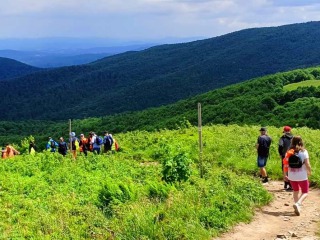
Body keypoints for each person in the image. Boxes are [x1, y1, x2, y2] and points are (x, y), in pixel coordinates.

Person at [283, 136, 311, 216]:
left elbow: (285, 165)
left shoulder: (289, 152)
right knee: (305, 192)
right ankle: (298, 203)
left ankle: (297, 206)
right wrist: (309, 171)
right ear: (301, 142)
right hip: (302, 176)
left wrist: (285, 175)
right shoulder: (304, 151)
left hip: (292, 176)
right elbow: (307, 164)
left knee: (295, 191)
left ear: (292, 142)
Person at [278, 126, 294, 190]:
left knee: (285, 169)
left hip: (285, 155)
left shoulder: (282, 138)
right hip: (293, 155)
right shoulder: (293, 137)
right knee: (291, 169)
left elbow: (280, 146)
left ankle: (286, 184)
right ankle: (291, 184)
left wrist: (280, 153)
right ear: (290, 131)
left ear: (284, 131)